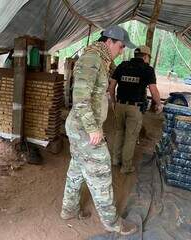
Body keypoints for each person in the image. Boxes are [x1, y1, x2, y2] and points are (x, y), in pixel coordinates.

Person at [61, 25, 138, 235]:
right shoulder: (92, 59)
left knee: (76, 170)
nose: (121, 51)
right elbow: (80, 98)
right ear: (110, 41)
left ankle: (69, 209)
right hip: (84, 129)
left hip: (80, 127)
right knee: (102, 173)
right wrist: (94, 129)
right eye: (121, 46)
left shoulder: (101, 60)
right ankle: (113, 223)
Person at [108, 46, 163, 174]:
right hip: (135, 108)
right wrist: (159, 104)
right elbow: (153, 90)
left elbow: (111, 87)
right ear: (145, 56)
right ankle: (126, 167)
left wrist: (113, 102)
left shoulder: (122, 66)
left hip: (120, 105)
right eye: (148, 57)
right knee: (131, 137)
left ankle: (115, 160)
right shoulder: (147, 70)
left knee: (119, 132)